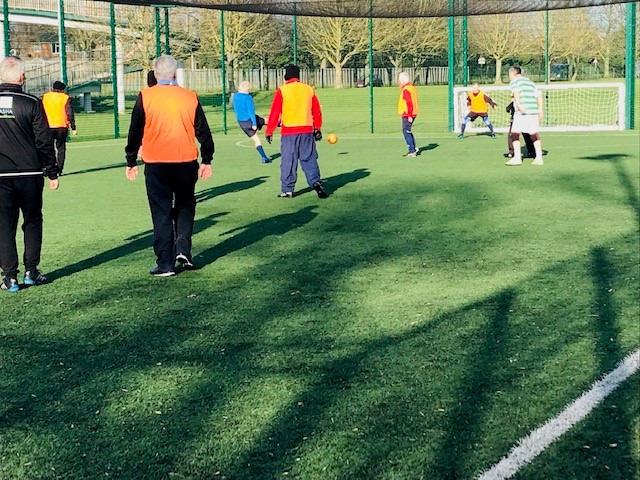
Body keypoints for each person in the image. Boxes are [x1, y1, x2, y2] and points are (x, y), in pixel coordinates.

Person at [125, 55, 214, 276]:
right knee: (185, 205)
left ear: (155, 74)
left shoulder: (146, 96)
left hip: (157, 163)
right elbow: (203, 131)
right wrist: (207, 159)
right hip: (185, 161)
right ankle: (183, 249)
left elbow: (135, 130)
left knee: (161, 211)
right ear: (175, 73)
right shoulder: (190, 97)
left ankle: (165, 263)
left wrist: (131, 159)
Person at [0, 56, 60, 293]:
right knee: (32, 220)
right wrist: (52, 171)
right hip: (30, 173)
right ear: (22, 77)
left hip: (1, 176)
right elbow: (44, 141)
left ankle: (9, 277)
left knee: (4, 224)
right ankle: (31, 271)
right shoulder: (32, 102)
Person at [265, 64, 326, 199]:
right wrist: (317, 128)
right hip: (306, 130)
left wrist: (269, 131)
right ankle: (315, 181)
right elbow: (316, 111)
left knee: (288, 160)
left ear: (286, 75)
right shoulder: (309, 89)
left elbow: (275, 112)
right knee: (309, 159)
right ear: (298, 75)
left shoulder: (282, 90)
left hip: (289, 132)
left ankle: (288, 189)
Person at [505, 66, 544, 166]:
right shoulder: (530, 82)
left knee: (514, 134)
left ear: (511, 74)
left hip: (522, 112)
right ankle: (539, 158)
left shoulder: (514, 82)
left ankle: (517, 158)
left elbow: (516, 92)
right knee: (533, 134)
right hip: (533, 111)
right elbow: (539, 95)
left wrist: (518, 104)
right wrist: (540, 109)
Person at [232, 80, 271, 164]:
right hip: (249, 120)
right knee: (267, 120)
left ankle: (264, 158)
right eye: (248, 88)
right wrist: (254, 123)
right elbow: (251, 112)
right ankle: (280, 127)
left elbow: (235, 108)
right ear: (246, 88)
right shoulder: (247, 97)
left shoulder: (235, 96)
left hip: (242, 123)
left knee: (256, 139)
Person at [42, 80, 77, 174]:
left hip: (47, 126)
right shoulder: (65, 97)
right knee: (61, 148)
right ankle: (59, 169)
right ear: (62, 89)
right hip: (62, 126)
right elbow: (69, 113)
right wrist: (73, 127)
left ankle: (48, 168)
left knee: (48, 148)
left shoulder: (45, 96)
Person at [397, 72, 419, 157]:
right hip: (412, 113)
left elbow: (409, 103)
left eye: (399, 80)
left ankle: (412, 150)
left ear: (402, 81)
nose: (398, 82)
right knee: (408, 130)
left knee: (406, 131)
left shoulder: (406, 90)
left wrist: (409, 115)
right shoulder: (412, 88)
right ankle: (413, 147)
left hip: (408, 114)